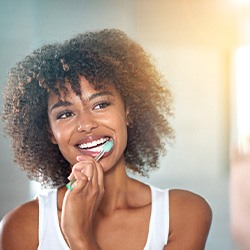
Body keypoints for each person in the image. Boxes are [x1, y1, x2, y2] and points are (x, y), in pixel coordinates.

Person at [0, 29, 212, 250]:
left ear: (127, 111)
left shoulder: (184, 213)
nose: (86, 124)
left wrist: (79, 236)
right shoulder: (22, 227)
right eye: (65, 114)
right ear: (50, 132)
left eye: (100, 104)